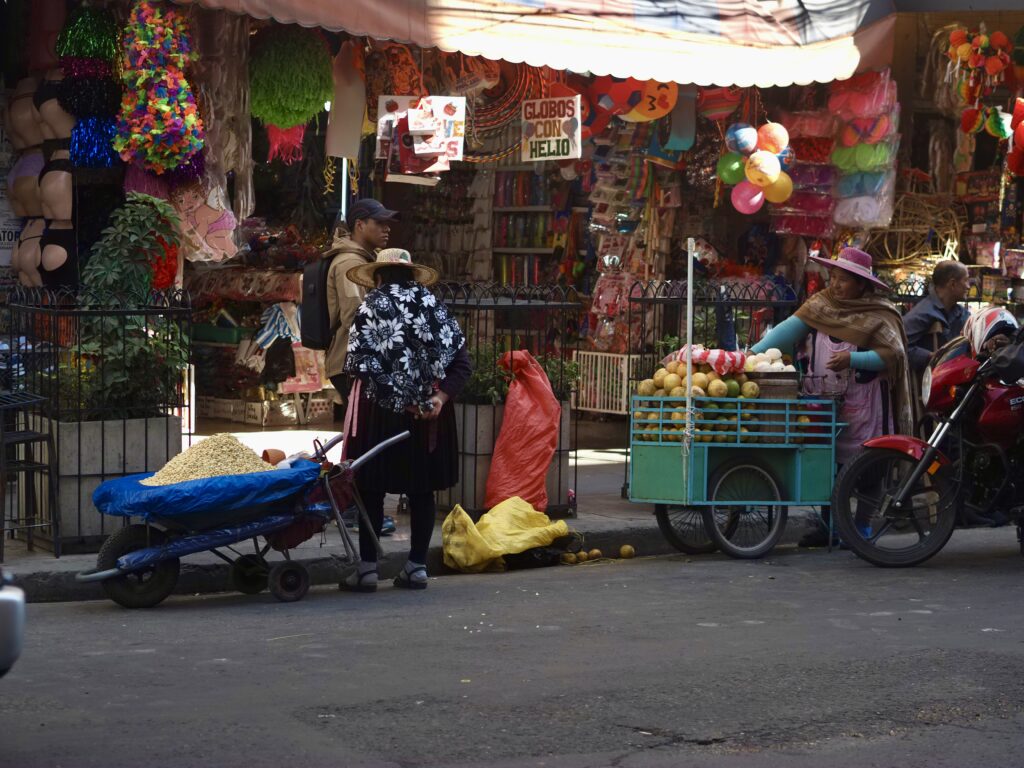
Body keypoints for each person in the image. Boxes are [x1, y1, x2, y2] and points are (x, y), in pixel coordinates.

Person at [751, 247, 916, 548]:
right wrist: (748, 357)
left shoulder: (880, 314)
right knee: (824, 466)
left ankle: (863, 525)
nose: (835, 284)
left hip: (867, 407)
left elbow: (893, 355)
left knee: (868, 470)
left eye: (843, 280)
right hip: (824, 404)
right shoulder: (821, 306)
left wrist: (853, 360)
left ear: (862, 284)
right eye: (834, 277)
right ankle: (832, 526)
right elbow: (785, 333)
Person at [339, 249, 471, 592]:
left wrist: (400, 399)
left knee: (370, 488)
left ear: (378, 276)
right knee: (422, 489)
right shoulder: (436, 308)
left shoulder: (370, 307)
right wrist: (436, 400)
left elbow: (360, 365)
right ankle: (416, 566)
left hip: (380, 415)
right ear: (413, 276)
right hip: (430, 416)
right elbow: (461, 364)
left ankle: (367, 569)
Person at [325, 198, 398, 413]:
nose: (387, 229)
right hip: (351, 362)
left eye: (388, 224)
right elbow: (354, 316)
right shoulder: (350, 263)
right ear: (360, 225)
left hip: (361, 361)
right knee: (363, 427)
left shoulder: (366, 260)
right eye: (379, 223)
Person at [902, 260, 970, 372]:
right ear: (952, 284)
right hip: (928, 382)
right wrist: (931, 356)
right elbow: (901, 346)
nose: (968, 286)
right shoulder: (923, 312)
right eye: (966, 280)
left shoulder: (960, 312)